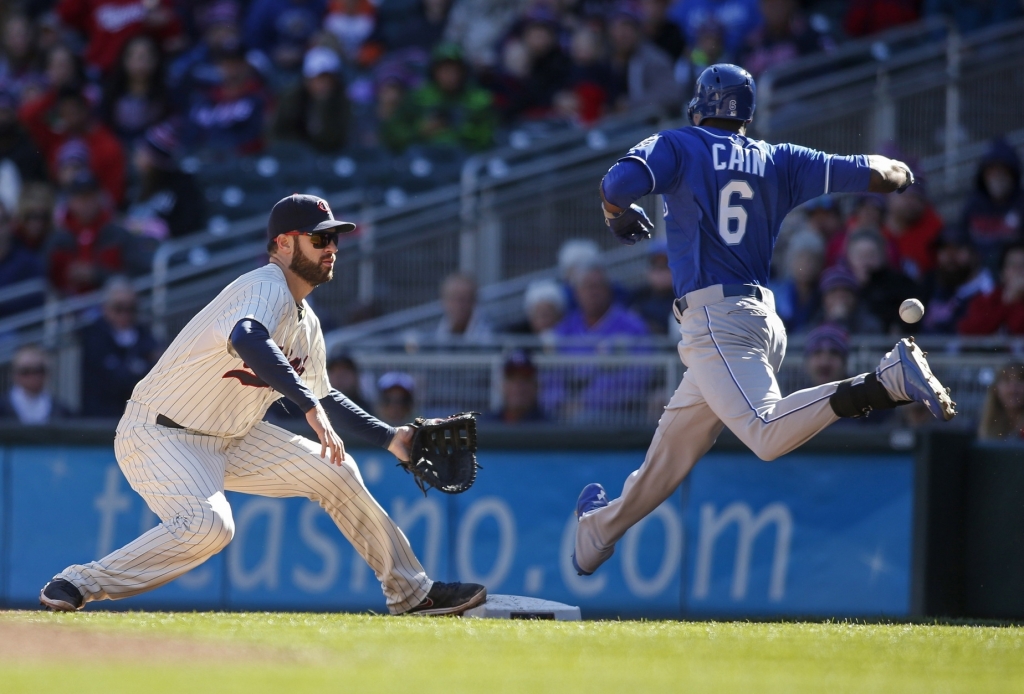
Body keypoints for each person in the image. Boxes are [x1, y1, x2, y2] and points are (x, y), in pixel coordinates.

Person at [572, 64, 955, 579]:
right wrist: (904, 174)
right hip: (761, 321)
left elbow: (617, 183)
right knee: (672, 452)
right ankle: (598, 531)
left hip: (715, 321)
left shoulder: (678, 145)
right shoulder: (779, 159)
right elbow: (875, 172)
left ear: (700, 104)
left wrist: (615, 214)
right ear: (747, 113)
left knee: (765, 432)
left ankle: (885, 382)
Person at [39, 193, 485, 616]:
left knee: (337, 470)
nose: (331, 247)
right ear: (283, 244)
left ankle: (411, 593)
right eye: (319, 238)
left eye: (334, 238)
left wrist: (392, 439)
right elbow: (247, 337)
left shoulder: (306, 320)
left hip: (232, 437)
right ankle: (82, 582)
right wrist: (308, 408)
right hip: (161, 433)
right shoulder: (264, 284)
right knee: (209, 526)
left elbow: (324, 393)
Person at [19, 86, 126, 204]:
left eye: (74, 111)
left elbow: (114, 194)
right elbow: (26, 116)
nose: (70, 117)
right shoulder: (56, 137)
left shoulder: (107, 144)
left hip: (94, 208)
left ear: (85, 110)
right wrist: (57, 91)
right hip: (57, 203)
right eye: (65, 112)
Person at [77, 277, 160, 419]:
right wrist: (138, 369)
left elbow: (157, 372)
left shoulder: (144, 333)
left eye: (131, 309)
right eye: (119, 308)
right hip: (101, 418)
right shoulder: (94, 336)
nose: (125, 314)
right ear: (106, 308)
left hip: (137, 418)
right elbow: (113, 381)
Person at [125, 122, 207, 239]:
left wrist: (149, 228)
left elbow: (188, 223)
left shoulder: (181, 185)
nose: (136, 156)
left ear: (152, 160)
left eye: (142, 152)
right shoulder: (136, 183)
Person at [959, 138, 1024, 272]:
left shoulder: (1021, 205)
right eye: (992, 170)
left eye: (1003, 170)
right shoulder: (973, 205)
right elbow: (962, 241)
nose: (997, 176)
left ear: (1013, 173)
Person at [272, 46, 351, 153]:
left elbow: (335, 137)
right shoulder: (292, 98)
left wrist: (323, 105)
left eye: (328, 79)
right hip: (295, 158)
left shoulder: (342, 101)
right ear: (307, 80)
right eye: (319, 79)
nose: (324, 84)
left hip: (332, 157)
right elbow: (279, 132)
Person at [920, 229, 994, 334]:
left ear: (975, 254)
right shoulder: (931, 283)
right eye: (944, 249)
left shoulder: (989, 292)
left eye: (957, 248)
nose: (950, 256)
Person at [958, 243, 1024, 335]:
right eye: (1012, 265)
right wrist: (1006, 302)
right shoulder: (986, 300)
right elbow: (970, 331)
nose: (1018, 270)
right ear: (1002, 274)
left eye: (1023, 265)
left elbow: (1018, 328)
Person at [0, 345, 74, 424]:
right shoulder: (2, 407)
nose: (33, 376)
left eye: (39, 370)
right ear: (14, 374)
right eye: (26, 371)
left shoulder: (62, 411)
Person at [485, 350, 548, 424]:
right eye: (512, 379)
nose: (518, 386)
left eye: (525, 379)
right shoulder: (487, 425)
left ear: (536, 386)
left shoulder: (550, 428)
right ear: (502, 385)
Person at [629, 241, 676, 334]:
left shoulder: (684, 297)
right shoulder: (638, 295)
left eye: (665, 266)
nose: (661, 272)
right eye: (656, 266)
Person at [435, 272, 493, 342]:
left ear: (474, 301)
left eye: (463, 299)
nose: (458, 305)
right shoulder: (432, 336)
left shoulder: (492, 335)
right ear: (443, 301)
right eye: (453, 298)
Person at [978, 362, 1024, 441]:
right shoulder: (979, 425)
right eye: (1007, 381)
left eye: (1020, 381)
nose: (1013, 389)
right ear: (995, 389)